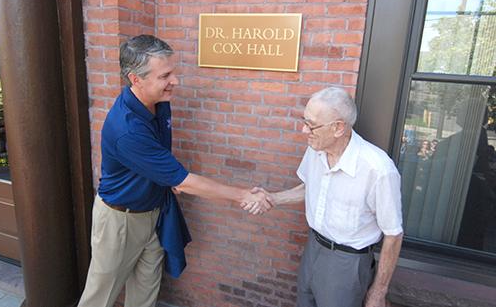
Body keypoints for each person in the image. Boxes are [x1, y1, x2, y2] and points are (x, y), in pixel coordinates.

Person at [77, 34, 271, 307]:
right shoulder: (127, 129)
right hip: (120, 222)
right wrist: (243, 195)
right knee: (100, 297)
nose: (175, 81)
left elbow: (171, 175)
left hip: (155, 213)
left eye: (174, 72)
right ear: (136, 79)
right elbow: (183, 181)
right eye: (166, 75)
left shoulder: (159, 102)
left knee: (145, 294)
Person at [249, 87, 403, 307]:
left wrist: (378, 292)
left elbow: (394, 234)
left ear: (338, 128)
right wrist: (272, 198)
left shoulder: (378, 169)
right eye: (305, 121)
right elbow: (309, 187)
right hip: (313, 248)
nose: (304, 130)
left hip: (347, 264)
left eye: (311, 125)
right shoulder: (316, 148)